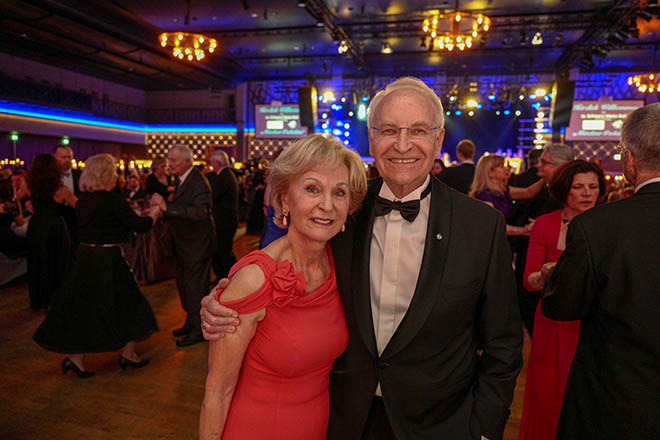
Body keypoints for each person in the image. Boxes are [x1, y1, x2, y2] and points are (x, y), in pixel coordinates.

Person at [201, 77, 522, 440]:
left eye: (417, 130)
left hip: (440, 424)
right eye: (388, 130)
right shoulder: (342, 212)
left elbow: (503, 344)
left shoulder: (481, 226)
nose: (402, 144)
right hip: (344, 420)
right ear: (372, 139)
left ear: (438, 140)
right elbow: (277, 273)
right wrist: (219, 301)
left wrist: (484, 428)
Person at [199, 134, 366, 439]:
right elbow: (218, 391)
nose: (327, 205)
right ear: (285, 199)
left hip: (316, 426)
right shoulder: (255, 278)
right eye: (312, 189)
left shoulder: (339, 262)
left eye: (339, 192)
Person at [542, 103, 660, 439]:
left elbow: (561, 306)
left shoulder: (598, 226)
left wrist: (555, 274)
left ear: (630, 161)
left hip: (612, 403)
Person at [33, 154, 160, 377]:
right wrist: (157, 211)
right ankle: (128, 353)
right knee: (132, 305)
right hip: (108, 259)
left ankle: (76, 359)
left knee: (83, 308)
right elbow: (141, 226)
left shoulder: (85, 199)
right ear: (107, 174)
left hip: (85, 256)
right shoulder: (112, 200)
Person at [518, 160, 605, 440]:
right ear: (564, 190)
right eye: (578, 187)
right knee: (549, 392)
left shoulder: (608, 223)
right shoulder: (545, 224)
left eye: (593, 187)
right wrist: (546, 274)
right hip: (554, 322)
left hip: (596, 322)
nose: (586, 193)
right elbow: (528, 280)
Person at [151, 145, 216, 347]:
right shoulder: (183, 179)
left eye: (174, 161)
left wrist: (166, 207)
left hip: (197, 244)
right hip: (185, 243)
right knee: (185, 285)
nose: (170, 165)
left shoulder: (198, 181)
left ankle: (199, 329)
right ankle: (191, 321)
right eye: (169, 160)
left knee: (196, 288)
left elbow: (201, 212)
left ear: (188, 161)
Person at [514, 143, 573, 337]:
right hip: (531, 270)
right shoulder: (544, 187)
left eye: (544, 162)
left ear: (561, 166)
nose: (538, 165)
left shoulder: (568, 197)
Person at [26, 154, 76, 309]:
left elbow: (16, 198)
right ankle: (55, 300)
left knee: (37, 263)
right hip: (55, 228)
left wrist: (27, 202)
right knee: (57, 264)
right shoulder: (61, 190)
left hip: (36, 227)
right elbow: (79, 208)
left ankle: (38, 300)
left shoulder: (29, 187)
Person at [470, 154, 543, 236]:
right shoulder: (484, 195)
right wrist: (522, 230)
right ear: (490, 172)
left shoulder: (503, 190)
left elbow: (528, 192)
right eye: (502, 166)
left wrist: (546, 178)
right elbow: (492, 224)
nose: (506, 168)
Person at [206, 150, 239, 280]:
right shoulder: (226, 175)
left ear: (218, 162)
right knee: (222, 252)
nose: (211, 165)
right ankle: (225, 278)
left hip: (224, 222)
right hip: (225, 221)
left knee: (223, 253)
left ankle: (230, 279)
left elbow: (212, 196)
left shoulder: (225, 176)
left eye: (212, 163)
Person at [259, 149, 288, 248]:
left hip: (271, 224)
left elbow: (266, 202)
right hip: (278, 228)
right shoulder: (278, 178)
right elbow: (278, 210)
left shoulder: (272, 175)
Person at [53, 145, 81, 243]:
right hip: (56, 217)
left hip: (75, 218)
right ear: (55, 158)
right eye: (63, 157)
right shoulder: (50, 176)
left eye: (69, 157)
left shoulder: (80, 175)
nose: (67, 160)